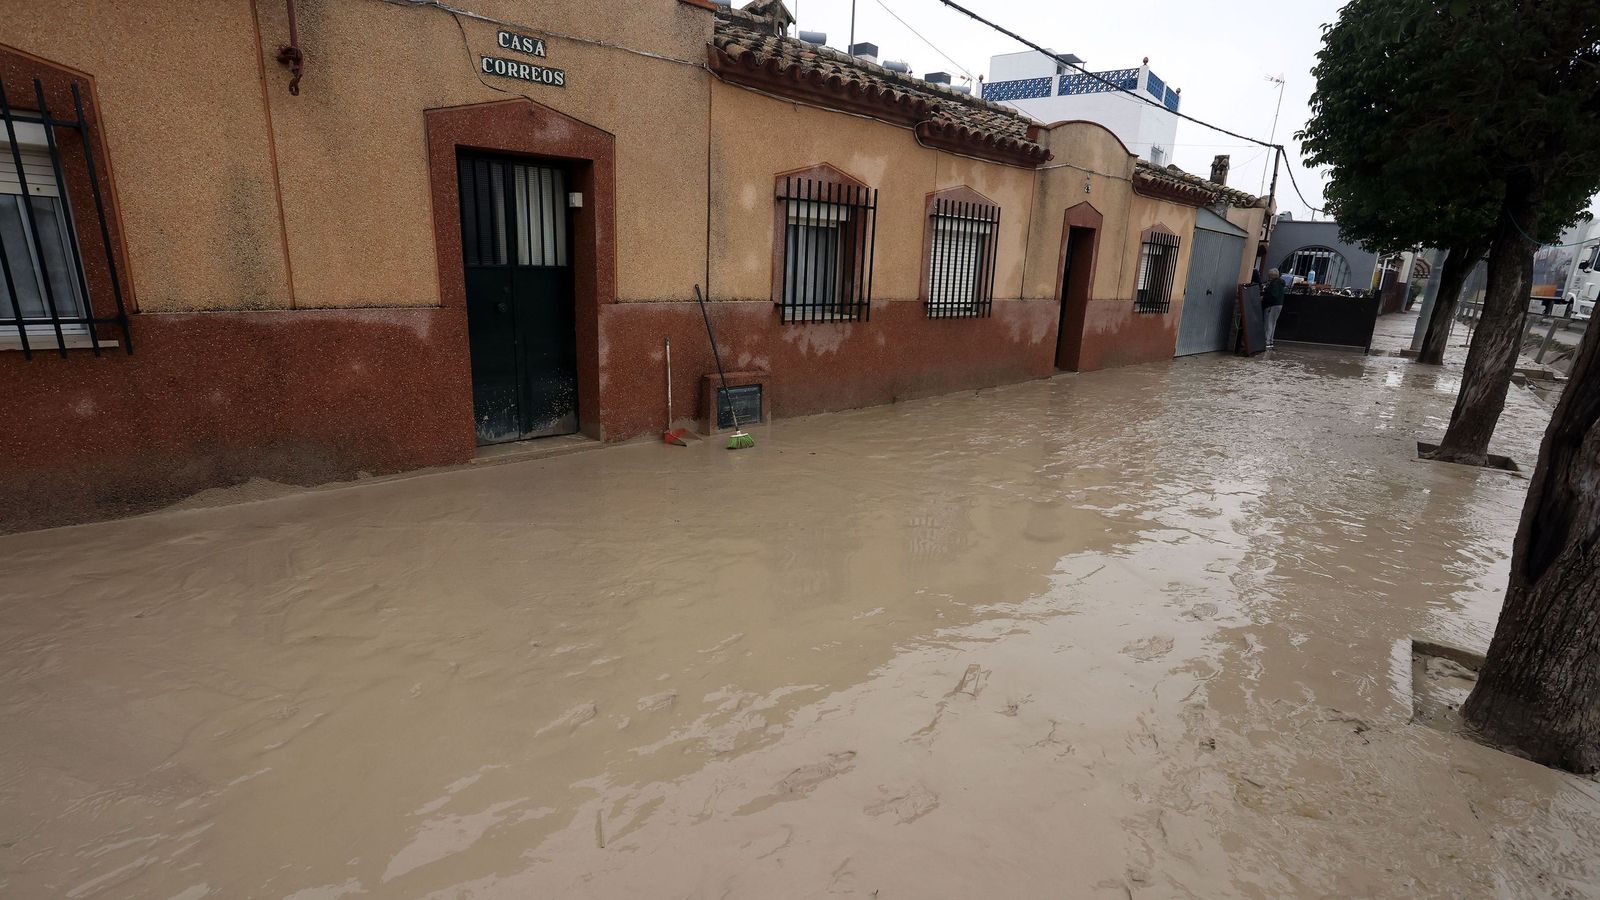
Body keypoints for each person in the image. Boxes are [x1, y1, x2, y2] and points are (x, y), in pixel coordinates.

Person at [1262, 267, 1286, 349]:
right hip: (1279, 304)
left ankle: (1266, 341)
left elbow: (1273, 295)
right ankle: (1270, 341)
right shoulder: (1281, 283)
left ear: (1272, 275)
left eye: (1269, 275)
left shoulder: (1274, 283)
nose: (1268, 276)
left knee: (1268, 323)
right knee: (1273, 323)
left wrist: (1264, 298)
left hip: (1272, 305)